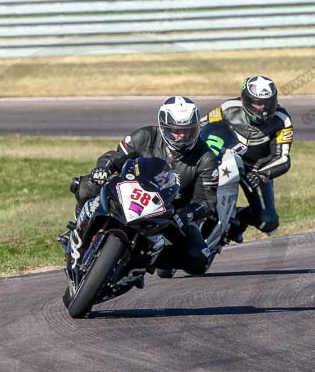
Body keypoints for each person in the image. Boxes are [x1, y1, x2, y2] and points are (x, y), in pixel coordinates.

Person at [68, 96, 220, 276]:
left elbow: (206, 201)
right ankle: (78, 230)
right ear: (164, 127)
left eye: (188, 131)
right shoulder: (145, 136)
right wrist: (103, 168)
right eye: (176, 131)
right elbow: (114, 157)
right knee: (87, 185)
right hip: (129, 192)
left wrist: (186, 215)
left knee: (198, 258)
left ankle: (141, 261)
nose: (182, 136)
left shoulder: (206, 158)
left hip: (170, 213)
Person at [200, 75, 294, 243]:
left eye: (267, 102)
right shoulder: (229, 108)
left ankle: (236, 220)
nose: (262, 108)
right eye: (257, 103)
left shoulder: (282, 120)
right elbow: (202, 127)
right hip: (224, 160)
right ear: (245, 100)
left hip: (255, 170)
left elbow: (283, 158)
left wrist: (261, 175)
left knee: (268, 222)